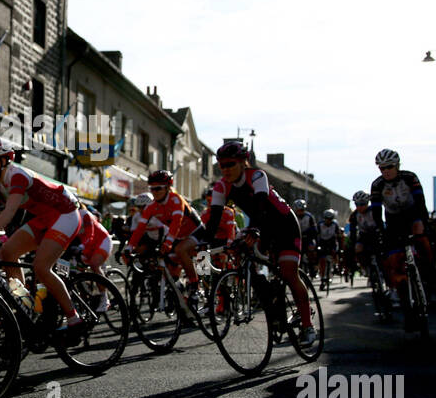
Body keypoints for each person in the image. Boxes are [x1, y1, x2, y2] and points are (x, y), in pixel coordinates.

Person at [0, 137, 84, 340]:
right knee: (6, 253)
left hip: (65, 214)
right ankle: (26, 306)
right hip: (43, 218)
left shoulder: (18, 175)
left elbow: (10, 210)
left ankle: (74, 318)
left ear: (4, 159)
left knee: (41, 266)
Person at [203, 141, 316, 346]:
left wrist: (255, 229)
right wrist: (202, 242)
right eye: (222, 165)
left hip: (284, 226)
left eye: (231, 164)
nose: (226, 169)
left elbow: (261, 206)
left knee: (289, 272)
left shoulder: (256, 176)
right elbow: (213, 219)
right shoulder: (221, 186)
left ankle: (307, 325)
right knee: (238, 252)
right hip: (261, 227)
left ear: (243, 162)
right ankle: (263, 295)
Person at [124, 170, 204, 300]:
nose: (155, 192)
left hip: (195, 231)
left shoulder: (176, 200)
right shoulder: (151, 206)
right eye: (152, 189)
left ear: (167, 187)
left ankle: (195, 286)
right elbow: (139, 229)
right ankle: (179, 289)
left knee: (180, 250)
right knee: (168, 265)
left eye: (158, 188)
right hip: (178, 236)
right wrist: (129, 247)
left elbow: (176, 223)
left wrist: (168, 242)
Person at [369, 148, 432, 312]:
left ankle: (429, 270)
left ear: (397, 165)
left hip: (412, 214)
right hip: (393, 220)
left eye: (389, 167)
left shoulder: (410, 177)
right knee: (394, 259)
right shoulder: (377, 185)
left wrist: (424, 222)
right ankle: (404, 297)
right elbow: (376, 212)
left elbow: (420, 201)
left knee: (421, 236)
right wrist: (380, 231)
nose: (386, 171)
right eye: (382, 168)